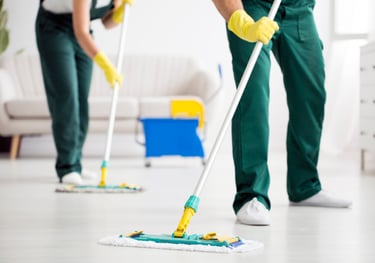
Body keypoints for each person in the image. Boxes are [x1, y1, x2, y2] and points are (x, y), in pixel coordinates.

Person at [211, 0, 352, 226]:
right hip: (252, 7)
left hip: (299, 9)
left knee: (310, 93)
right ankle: (251, 195)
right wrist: (240, 20)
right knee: (253, 93)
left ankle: (305, 186)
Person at [35, 0, 132, 185]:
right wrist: (106, 66)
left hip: (83, 31)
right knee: (67, 97)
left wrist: (120, 12)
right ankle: (68, 167)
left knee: (81, 99)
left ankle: (76, 162)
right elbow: (81, 32)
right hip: (55, 29)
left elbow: (107, 23)